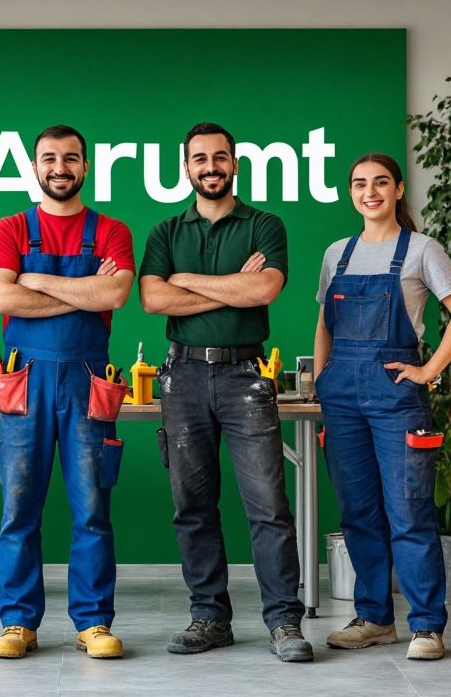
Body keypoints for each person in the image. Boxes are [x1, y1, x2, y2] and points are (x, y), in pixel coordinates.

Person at [140, 122, 311, 663]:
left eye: (220, 157)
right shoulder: (166, 231)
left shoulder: (264, 223)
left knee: (268, 507)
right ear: (185, 168)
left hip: (245, 377)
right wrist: (228, 289)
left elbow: (264, 287)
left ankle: (285, 622)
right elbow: (150, 299)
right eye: (199, 159)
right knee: (192, 506)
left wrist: (186, 282)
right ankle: (209, 617)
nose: (210, 167)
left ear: (235, 163)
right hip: (182, 377)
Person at [0, 125, 135, 660]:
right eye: (49, 158)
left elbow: (115, 290)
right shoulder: (9, 228)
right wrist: (81, 292)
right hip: (25, 379)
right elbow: (0, 299)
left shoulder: (112, 230)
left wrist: (36, 281)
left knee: (92, 507)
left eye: (71, 158)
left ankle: (93, 622)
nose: (60, 168)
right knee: (18, 508)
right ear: (35, 166)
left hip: (88, 380)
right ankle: (18, 623)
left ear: (85, 167)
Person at [313, 153, 451, 660]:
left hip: (396, 393)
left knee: (409, 510)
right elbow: (324, 324)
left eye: (381, 182)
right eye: (360, 184)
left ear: (399, 189)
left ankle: (427, 626)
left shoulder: (423, 250)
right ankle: (376, 618)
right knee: (358, 512)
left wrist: (429, 371)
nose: (370, 192)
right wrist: (321, 380)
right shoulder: (337, 252)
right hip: (341, 396)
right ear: (351, 192)